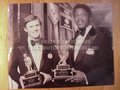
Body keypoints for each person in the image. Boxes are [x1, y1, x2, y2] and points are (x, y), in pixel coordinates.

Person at [65, 4, 114, 86]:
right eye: (76, 16)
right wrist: (65, 64)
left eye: (83, 15)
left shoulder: (101, 37)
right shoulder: (73, 40)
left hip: (94, 85)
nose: (79, 18)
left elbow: (109, 65)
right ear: (74, 19)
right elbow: (72, 62)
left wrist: (86, 77)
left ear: (89, 17)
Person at [9, 14, 60, 88]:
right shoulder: (18, 47)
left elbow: (57, 67)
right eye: (31, 26)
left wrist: (50, 76)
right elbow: (11, 68)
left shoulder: (50, 45)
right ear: (25, 29)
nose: (35, 29)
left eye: (37, 25)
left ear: (40, 26)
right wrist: (19, 78)